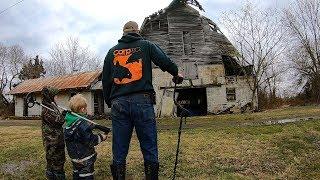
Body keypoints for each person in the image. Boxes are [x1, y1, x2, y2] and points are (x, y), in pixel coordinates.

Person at [102, 21, 183, 180]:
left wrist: (109, 101)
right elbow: (164, 60)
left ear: (123, 33)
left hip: (119, 103)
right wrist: (175, 72)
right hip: (143, 101)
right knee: (149, 146)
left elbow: (106, 81)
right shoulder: (146, 45)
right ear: (137, 31)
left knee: (119, 149)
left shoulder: (111, 52)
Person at [64, 94, 107, 180]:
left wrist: (90, 126)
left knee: (76, 172)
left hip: (74, 157)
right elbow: (90, 140)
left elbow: (77, 133)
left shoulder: (69, 122)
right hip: (85, 156)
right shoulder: (82, 124)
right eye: (86, 108)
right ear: (82, 109)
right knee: (86, 174)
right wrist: (101, 137)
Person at [41, 86, 66, 180]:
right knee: (55, 160)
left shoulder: (52, 106)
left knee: (56, 160)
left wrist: (62, 114)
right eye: (55, 96)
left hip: (57, 138)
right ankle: (56, 176)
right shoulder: (46, 109)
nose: (57, 97)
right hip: (52, 141)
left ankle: (52, 175)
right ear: (51, 96)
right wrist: (63, 115)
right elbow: (58, 121)